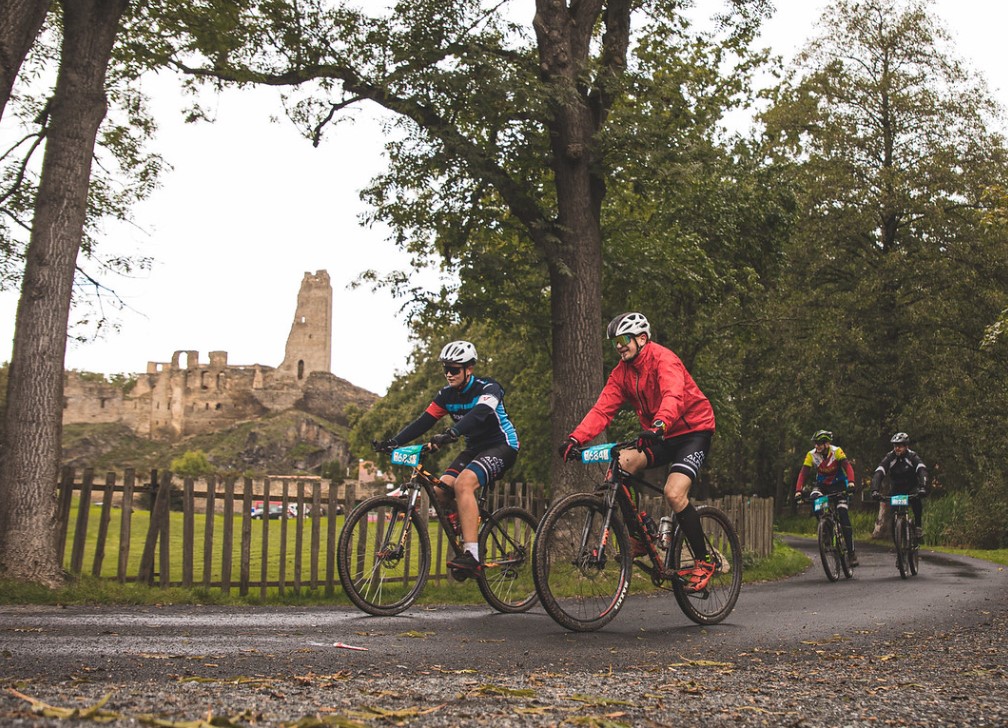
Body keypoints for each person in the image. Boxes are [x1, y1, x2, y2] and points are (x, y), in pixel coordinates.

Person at [559, 312, 718, 592]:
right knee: (620, 462)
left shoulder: (663, 359)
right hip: (660, 433)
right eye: (614, 342)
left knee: (674, 492)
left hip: (692, 430)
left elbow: (673, 395)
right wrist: (575, 438)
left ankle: (704, 560)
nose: (619, 346)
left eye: (623, 339)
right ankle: (640, 534)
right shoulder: (621, 373)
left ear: (642, 338)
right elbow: (602, 409)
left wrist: (659, 424)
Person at [375, 340, 520, 579]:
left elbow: (480, 414)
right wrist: (394, 442)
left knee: (463, 484)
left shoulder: (489, 388)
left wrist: (452, 432)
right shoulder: (446, 395)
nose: (449, 374)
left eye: (454, 369)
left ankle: (471, 554)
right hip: (474, 448)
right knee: (441, 490)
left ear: (469, 369)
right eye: (446, 369)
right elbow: (424, 421)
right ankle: (466, 534)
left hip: (502, 445)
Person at [793, 430, 859, 566]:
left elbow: (848, 467)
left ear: (827, 443)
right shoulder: (811, 455)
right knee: (815, 499)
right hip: (822, 486)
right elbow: (803, 473)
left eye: (820, 443)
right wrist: (798, 491)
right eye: (816, 443)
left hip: (839, 485)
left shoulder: (837, 451)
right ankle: (826, 529)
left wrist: (851, 482)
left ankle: (851, 553)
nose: (817, 446)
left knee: (842, 512)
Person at [870, 432, 928, 539]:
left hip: (911, 487)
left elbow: (921, 470)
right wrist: (874, 490)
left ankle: (918, 527)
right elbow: (879, 473)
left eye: (900, 446)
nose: (897, 448)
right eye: (895, 446)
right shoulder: (890, 457)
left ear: (906, 446)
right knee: (893, 514)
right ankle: (897, 539)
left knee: (916, 502)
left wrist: (923, 487)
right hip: (897, 489)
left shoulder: (912, 456)